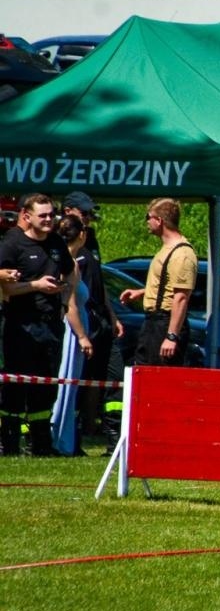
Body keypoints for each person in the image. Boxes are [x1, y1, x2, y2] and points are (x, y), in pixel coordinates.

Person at [0, 194, 88, 456]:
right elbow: (5, 288)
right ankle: (9, 441)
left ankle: (41, 443)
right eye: (43, 215)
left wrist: (64, 296)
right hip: (19, 325)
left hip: (49, 326)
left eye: (52, 215)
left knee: (46, 384)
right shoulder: (12, 244)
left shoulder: (56, 243)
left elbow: (70, 269)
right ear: (27, 216)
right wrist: (35, 286)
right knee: (15, 386)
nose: (50, 220)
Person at [61, 191, 120, 444]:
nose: (88, 219)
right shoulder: (62, 246)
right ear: (67, 212)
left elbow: (99, 282)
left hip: (99, 316)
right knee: (78, 376)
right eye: (83, 213)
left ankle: (109, 433)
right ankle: (75, 431)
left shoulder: (90, 240)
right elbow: (70, 295)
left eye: (90, 214)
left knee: (108, 374)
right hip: (79, 318)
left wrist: (113, 315)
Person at [119, 198, 197, 368]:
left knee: (160, 380)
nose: (147, 222)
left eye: (148, 217)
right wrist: (141, 292)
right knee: (143, 374)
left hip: (165, 324)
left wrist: (171, 336)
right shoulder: (166, 249)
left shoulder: (182, 253)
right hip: (153, 323)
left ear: (159, 220)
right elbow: (166, 285)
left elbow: (181, 298)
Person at [48, 215, 92, 455]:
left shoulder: (69, 260)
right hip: (72, 331)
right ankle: (59, 440)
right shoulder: (70, 264)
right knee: (66, 383)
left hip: (73, 327)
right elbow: (71, 305)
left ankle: (63, 438)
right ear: (81, 234)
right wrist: (83, 336)